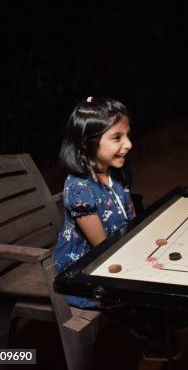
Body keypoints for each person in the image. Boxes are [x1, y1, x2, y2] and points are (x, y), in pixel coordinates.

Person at [54, 96, 135, 308]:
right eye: (117, 137)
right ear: (85, 141)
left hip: (119, 252)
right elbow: (103, 248)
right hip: (87, 271)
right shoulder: (79, 188)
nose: (128, 144)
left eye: (127, 135)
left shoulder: (118, 173)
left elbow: (133, 221)